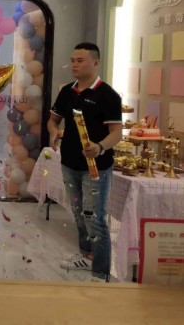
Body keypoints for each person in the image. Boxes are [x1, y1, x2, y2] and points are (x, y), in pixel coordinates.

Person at [47, 42, 123, 282]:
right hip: (69, 163)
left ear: (96, 62)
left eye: (80, 60)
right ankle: (86, 255)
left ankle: (100, 272)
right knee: (79, 213)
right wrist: (53, 132)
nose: (74, 65)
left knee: (95, 218)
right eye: (73, 60)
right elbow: (53, 120)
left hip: (95, 167)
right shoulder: (67, 91)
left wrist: (99, 147)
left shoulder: (108, 95)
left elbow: (117, 133)